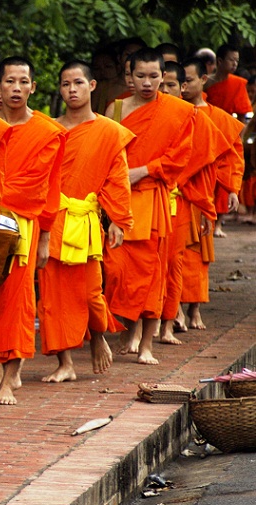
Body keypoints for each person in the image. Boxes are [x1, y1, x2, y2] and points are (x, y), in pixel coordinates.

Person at [0, 56, 64, 405]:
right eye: (9, 81)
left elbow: (43, 188)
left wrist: (45, 237)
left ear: (33, 87)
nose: (16, 88)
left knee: (17, 302)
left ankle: (11, 378)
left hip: (23, 225)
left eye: (23, 82)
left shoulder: (46, 132)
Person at [37, 60, 133, 383]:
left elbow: (118, 178)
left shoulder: (108, 131)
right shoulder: (49, 129)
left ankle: (97, 335)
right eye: (66, 84)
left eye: (78, 83)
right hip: (53, 219)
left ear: (92, 86)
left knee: (91, 292)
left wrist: (117, 220)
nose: (72, 90)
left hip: (86, 220)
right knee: (53, 295)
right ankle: (64, 362)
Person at [104, 48, 194, 365]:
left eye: (154, 76)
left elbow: (179, 158)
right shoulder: (116, 108)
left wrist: (142, 171)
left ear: (163, 76)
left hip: (152, 199)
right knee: (116, 270)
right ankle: (128, 329)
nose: (147, 83)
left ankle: (146, 345)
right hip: (119, 200)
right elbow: (104, 150)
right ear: (130, 76)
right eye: (140, 76)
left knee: (152, 274)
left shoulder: (177, 111)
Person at [156, 61, 222, 346]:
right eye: (161, 84)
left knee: (176, 263)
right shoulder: (144, 114)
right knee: (150, 264)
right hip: (150, 199)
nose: (164, 89)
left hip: (184, 200)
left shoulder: (197, 119)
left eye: (170, 85)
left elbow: (208, 165)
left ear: (182, 87)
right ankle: (149, 322)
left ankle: (172, 319)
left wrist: (207, 207)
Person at [180, 57, 245, 329]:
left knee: (199, 254)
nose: (183, 87)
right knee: (174, 254)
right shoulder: (173, 113)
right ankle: (174, 308)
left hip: (202, 194)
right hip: (173, 193)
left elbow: (232, 155)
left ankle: (194, 308)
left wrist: (231, 188)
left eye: (188, 81)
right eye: (179, 82)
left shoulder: (217, 117)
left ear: (203, 80)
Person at [205, 44, 252, 122]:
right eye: (231, 60)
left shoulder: (238, 83)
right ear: (220, 61)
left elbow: (242, 115)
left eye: (237, 61)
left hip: (227, 124)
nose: (235, 64)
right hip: (208, 122)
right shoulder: (205, 82)